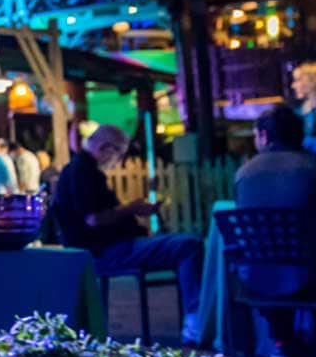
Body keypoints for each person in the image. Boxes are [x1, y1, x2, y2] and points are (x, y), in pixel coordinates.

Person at [51, 123, 206, 345]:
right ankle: (195, 319)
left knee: (182, 243)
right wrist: (132, 208)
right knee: (188, 245)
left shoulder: (78, 169)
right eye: (120, 154)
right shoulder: (84, 172)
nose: (119, 160)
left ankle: (195, 317)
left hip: (104, 248)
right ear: (106, 148)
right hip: (107, 251)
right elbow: (94, 218)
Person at [234, 105, 316, 357]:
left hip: (257, 279)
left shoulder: (244, 173)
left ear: (263, 136)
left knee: (273, 255)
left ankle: (282, 342)